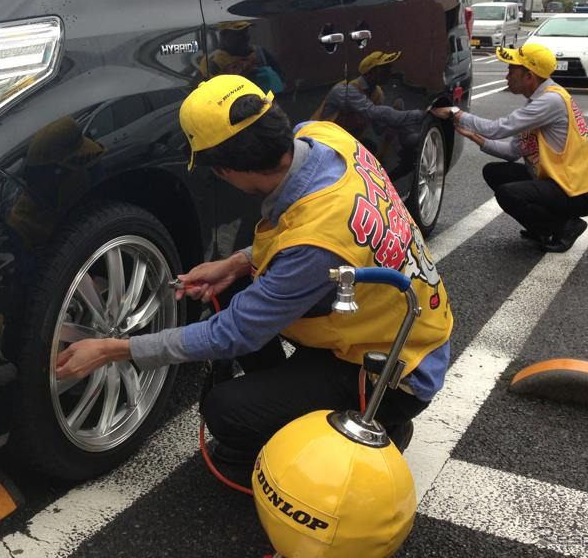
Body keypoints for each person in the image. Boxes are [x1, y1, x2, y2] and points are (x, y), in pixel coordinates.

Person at [56, 74, 453, 482]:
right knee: (237, 289)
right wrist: (236, 263)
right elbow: (303, 240)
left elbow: (231, 334)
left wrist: (111, 349)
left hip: (393, 375)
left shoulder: (317, 241)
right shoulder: (325, 137)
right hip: (390, 326)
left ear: (227, 170)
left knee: (227, 413)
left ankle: (377, 423)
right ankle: (293, 398)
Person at [431, 43, 588, 253]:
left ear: (529, 76)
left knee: (508, 193)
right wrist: (475, 137)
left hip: (581, 192)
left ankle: (564, 226)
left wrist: (455, 113)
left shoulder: (550, 101)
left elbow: (498, 128)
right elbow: (513, 152)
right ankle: (541, 227)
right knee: (494, 172)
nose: (507, 76)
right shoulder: (541, 101)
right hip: (562, 181)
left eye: (511, 70)